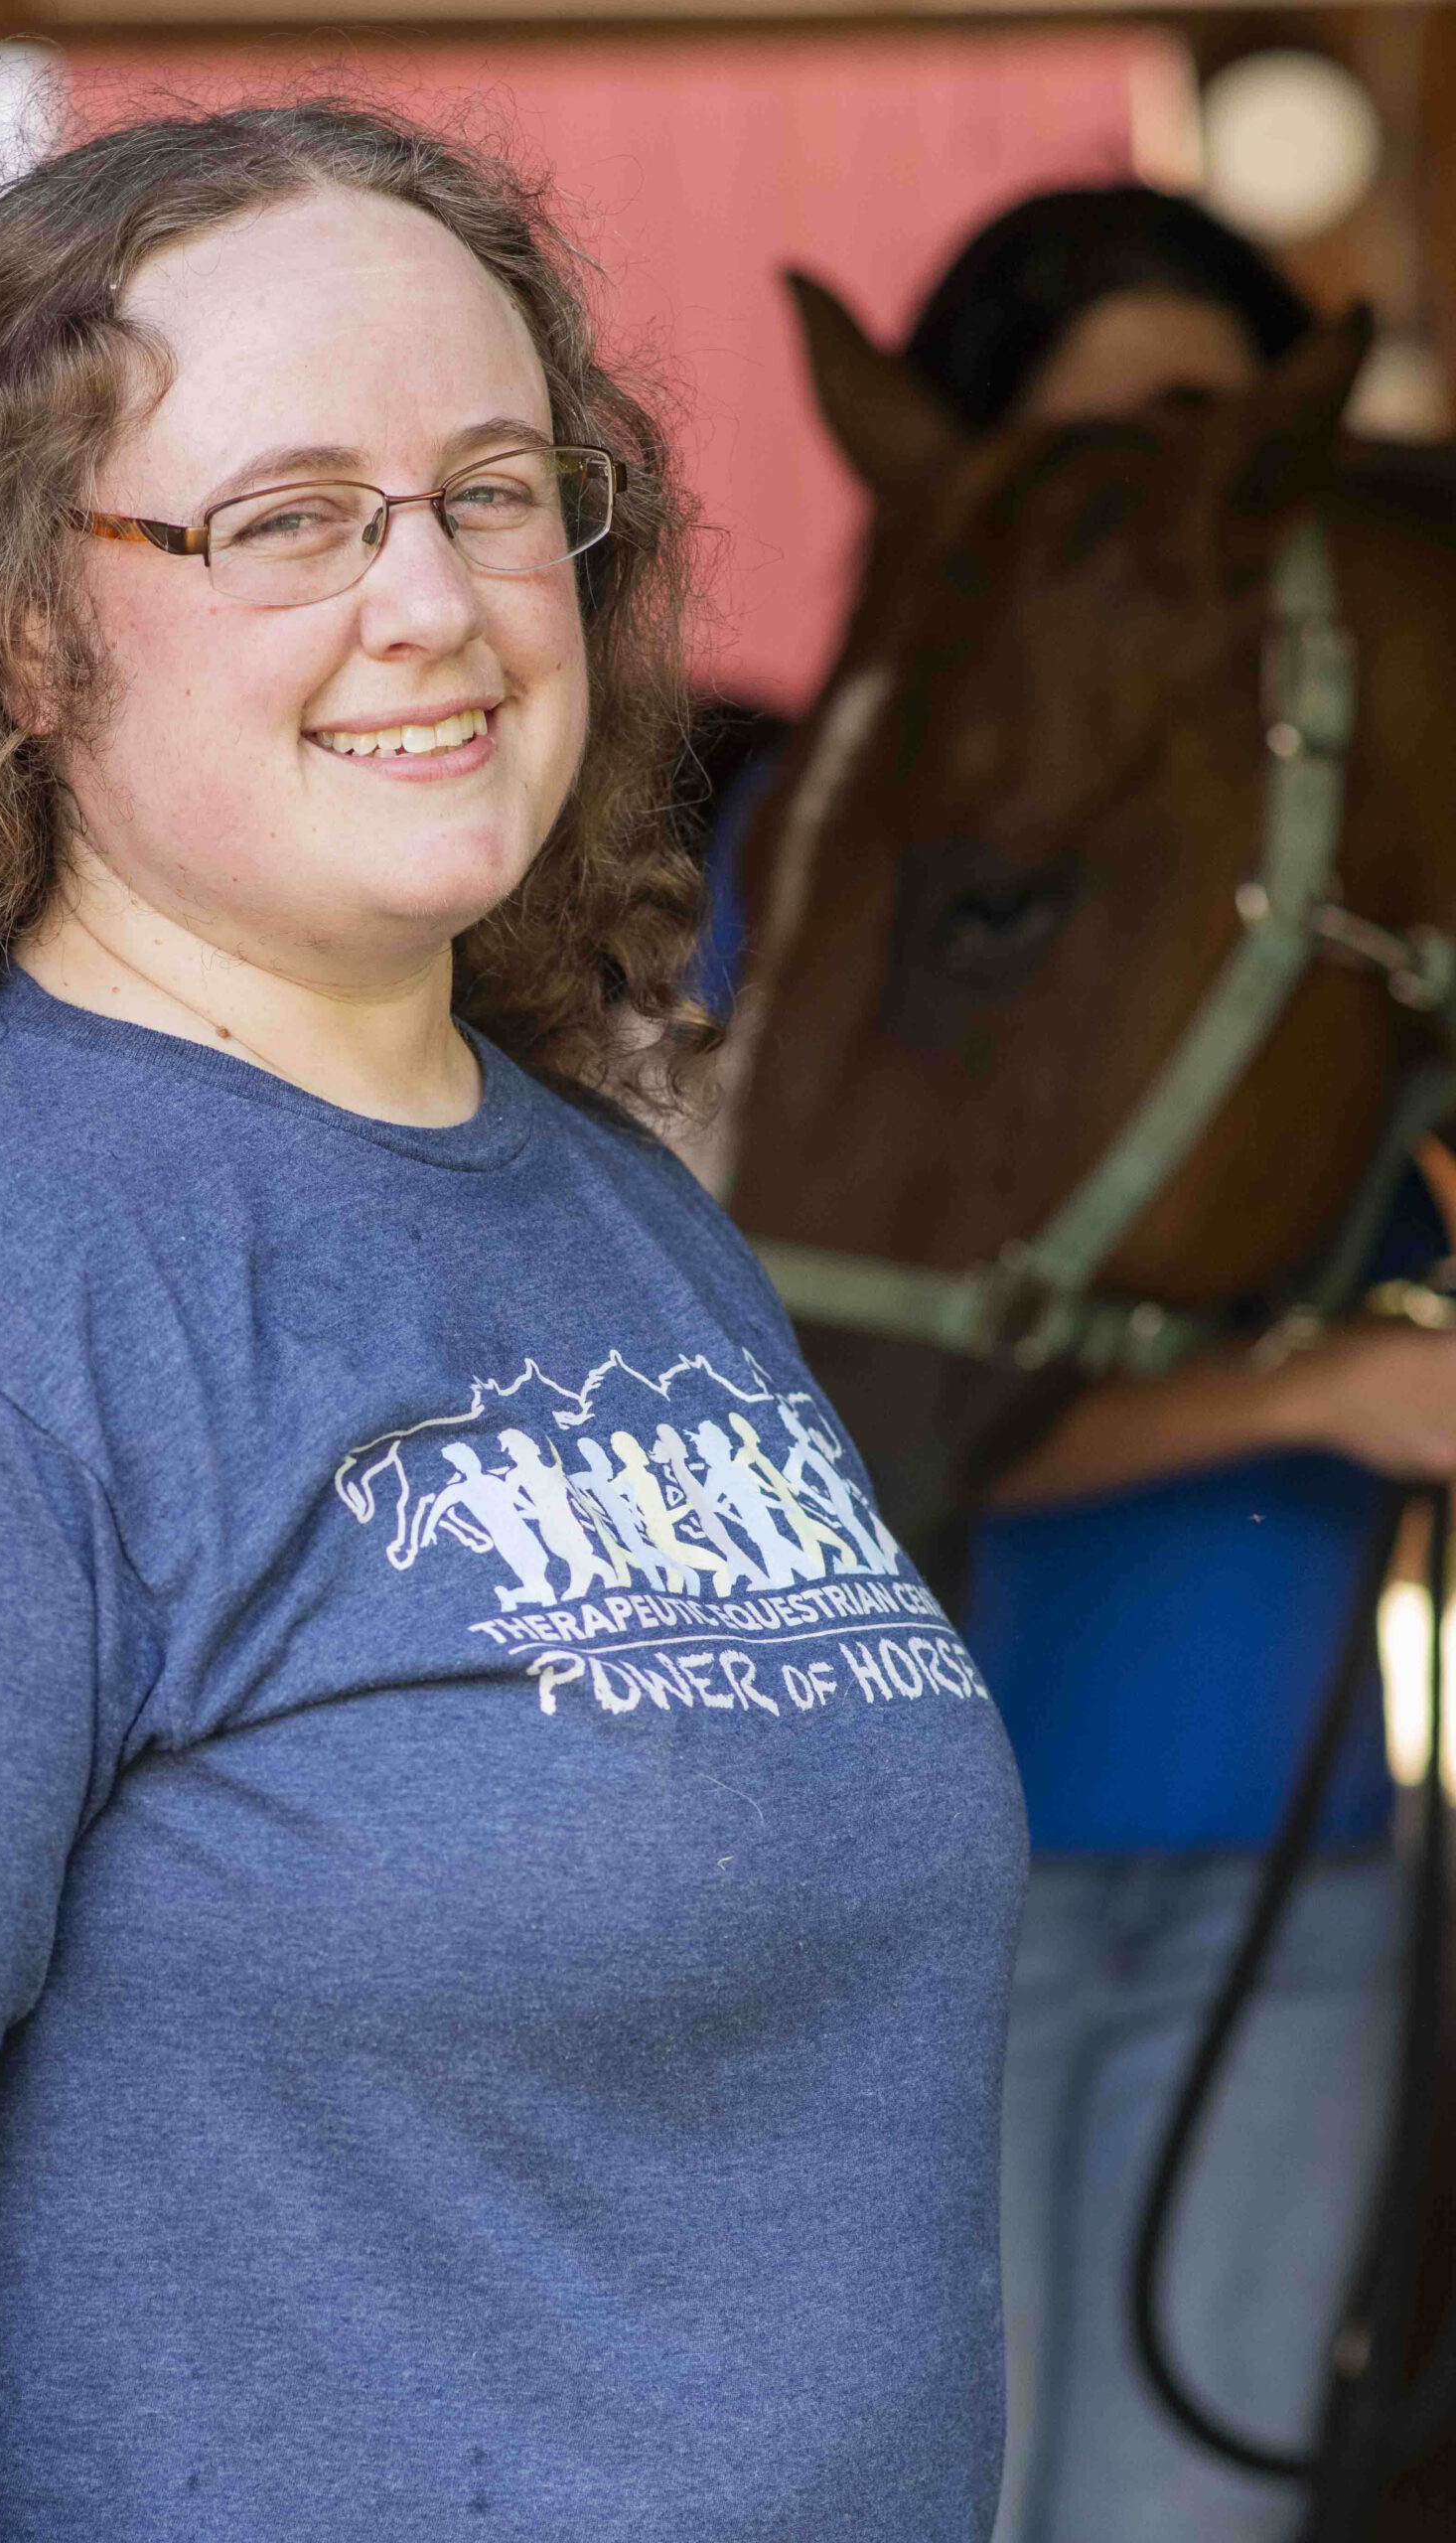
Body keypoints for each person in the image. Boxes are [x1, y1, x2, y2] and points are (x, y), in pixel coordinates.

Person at [0, 102, 1026, 2541]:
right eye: (285, 520)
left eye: (486, 486)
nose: (427, 598)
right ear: (23, 633)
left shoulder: (616, 1219)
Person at [704, 186, 1423, 2543]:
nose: (1154, 490)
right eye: (1093, 427)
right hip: (926, 1850)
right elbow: (817, 1383)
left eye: (1202, 425)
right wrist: (1303, 1394)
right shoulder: (855, 860)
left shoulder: (1304, 886)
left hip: (1277, 1856)